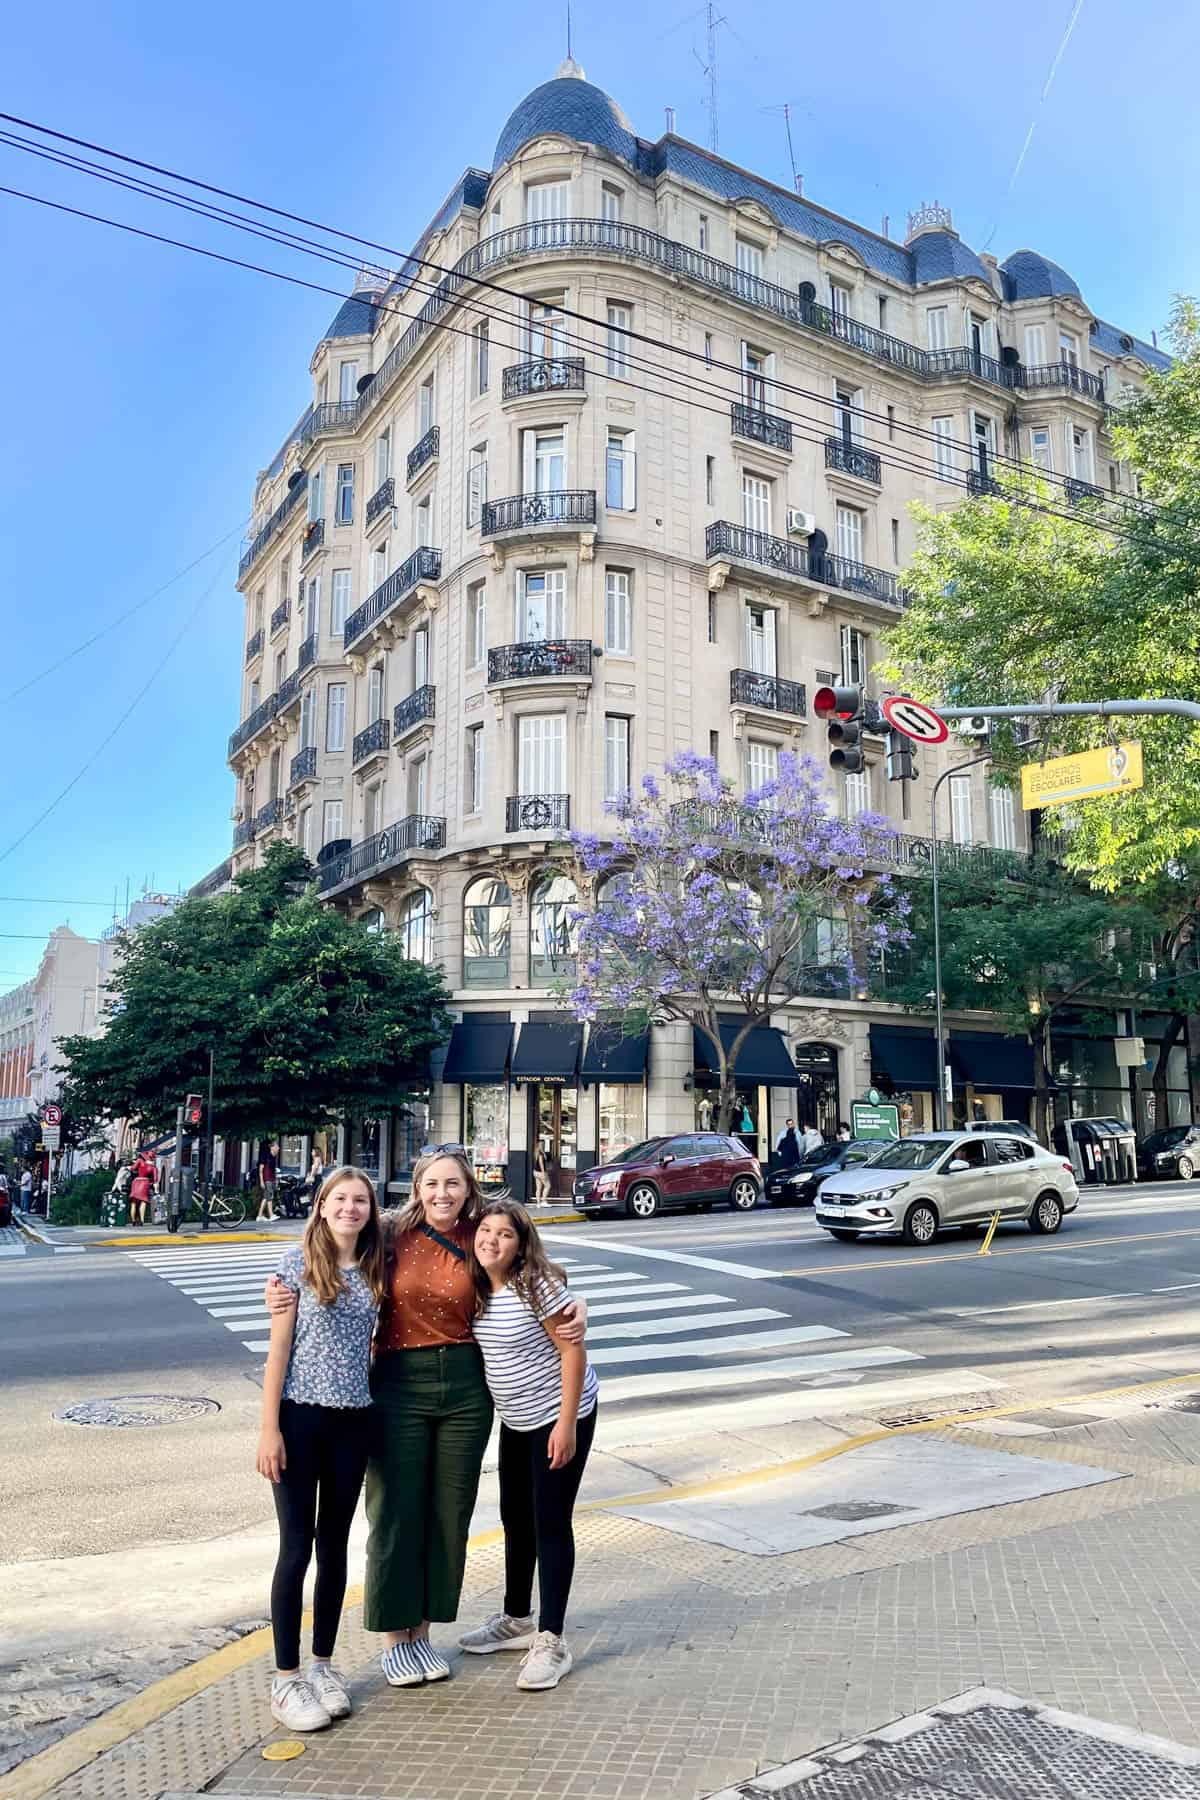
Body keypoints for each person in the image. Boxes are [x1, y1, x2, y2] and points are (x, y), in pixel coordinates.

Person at [264, 1149, 587, 1688]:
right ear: (416, 1187)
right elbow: (326, 1245)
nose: (443, 1194)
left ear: (468, 1190)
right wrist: (279, 1291)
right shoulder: (388, 1232)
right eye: (432, 1183)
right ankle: (394, 1635)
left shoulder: (481, 1235)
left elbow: (535, 1270)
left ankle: (425, 1631)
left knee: (448, 1511)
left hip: (465, 1385)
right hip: (397, 1380)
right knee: (394, 1508)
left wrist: (580, 1307)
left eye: (453, 1184)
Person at [258, 1166, 386, 1733]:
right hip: (299, 1419)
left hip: (353, 1421)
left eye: (360, 1201)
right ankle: (286, 1680)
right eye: (340, 1199)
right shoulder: (296, 1266)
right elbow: (277, 1354)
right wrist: (269, 1430)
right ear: (321, 1205)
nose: (350, 1209)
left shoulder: (379, 1264)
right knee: (296, 1547)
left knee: (336, 1545)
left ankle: (323, 1665)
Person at [459, 1200, 598, 1690]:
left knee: (550, 1522)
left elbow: (572, 1352)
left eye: (505, 1234)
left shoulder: (534, 1285)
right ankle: (517, 1618)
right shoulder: (476, 1286)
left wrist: (566, 1426)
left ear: (521, 1246)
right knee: (514, 1517)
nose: (492, 1241)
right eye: (486, 1231)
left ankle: (553, 1639)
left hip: (559, 1414)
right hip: (515, 1420)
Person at [129, 1149, 156, 1227]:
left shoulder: (140, 1161)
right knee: (143, 1201)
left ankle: (133, 1221)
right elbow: (155, 1179)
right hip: (145, 1183)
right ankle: (142, 1221)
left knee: (133, 1202)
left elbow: (132, 1168)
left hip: (136, 1182)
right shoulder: (153, 1167)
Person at [258, 1141, 279, 1222]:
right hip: (267, 1179)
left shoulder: (274, 1157)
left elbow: (274, 1170)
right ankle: (271, 1215)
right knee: (269, 1196)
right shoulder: (266, 1156)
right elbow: (261, 1169)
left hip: (272, 1179)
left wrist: (276, 1180)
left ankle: (259, 1216)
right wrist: (261, 1181)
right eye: (277, 1146)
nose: (278, 1148)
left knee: (266, 1197)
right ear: (272, 1147)